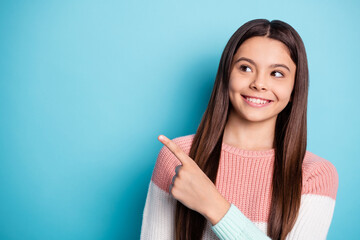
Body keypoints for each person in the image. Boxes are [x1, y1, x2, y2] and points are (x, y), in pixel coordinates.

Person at [140, 19, 339, 240]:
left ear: (294, 88)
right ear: (226, 75)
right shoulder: (179, 157)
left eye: (277, 73)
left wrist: (214, 207)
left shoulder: (315, 174)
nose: (259, 83)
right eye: (245, 68)